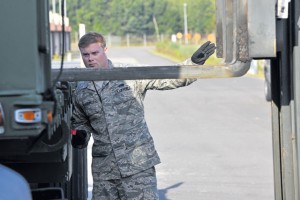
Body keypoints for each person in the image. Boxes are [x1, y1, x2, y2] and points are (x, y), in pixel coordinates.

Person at [71, 32, 215, 200]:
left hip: (137, 165)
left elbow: (165, 78)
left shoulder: (128, 75)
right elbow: (81, 122)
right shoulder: (80, 88)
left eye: (95, 53)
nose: (90, 59)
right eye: (85, 54)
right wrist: (80, 135)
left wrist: (193, 64)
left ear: (105, 50)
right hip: (105, 171)